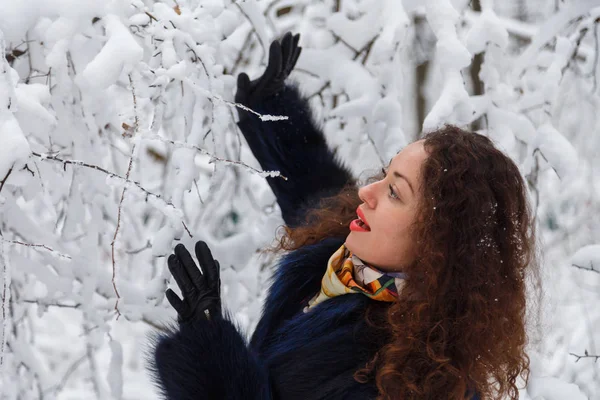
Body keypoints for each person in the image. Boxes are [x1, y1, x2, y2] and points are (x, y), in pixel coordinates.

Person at [148, 32, 539, 400]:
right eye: (385, 173)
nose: (367, 192)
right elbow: (318, 196)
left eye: (394, 191)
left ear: (435, 241)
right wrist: (274, 112)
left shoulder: (413, 380)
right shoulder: (346, 264)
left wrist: (210, 358)